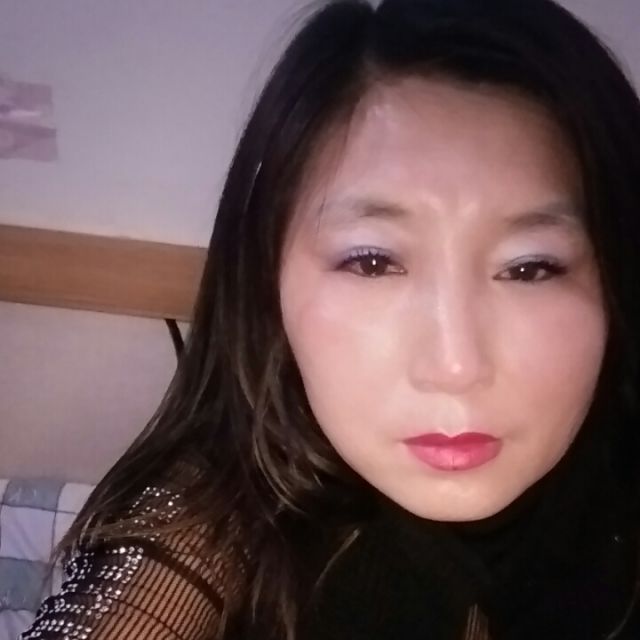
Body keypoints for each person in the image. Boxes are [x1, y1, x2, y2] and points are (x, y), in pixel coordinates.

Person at [21, 0, 640, 638]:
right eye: (373, 262)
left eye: (530, 268)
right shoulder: (219, 509)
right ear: (268, 278)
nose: (455, 366)